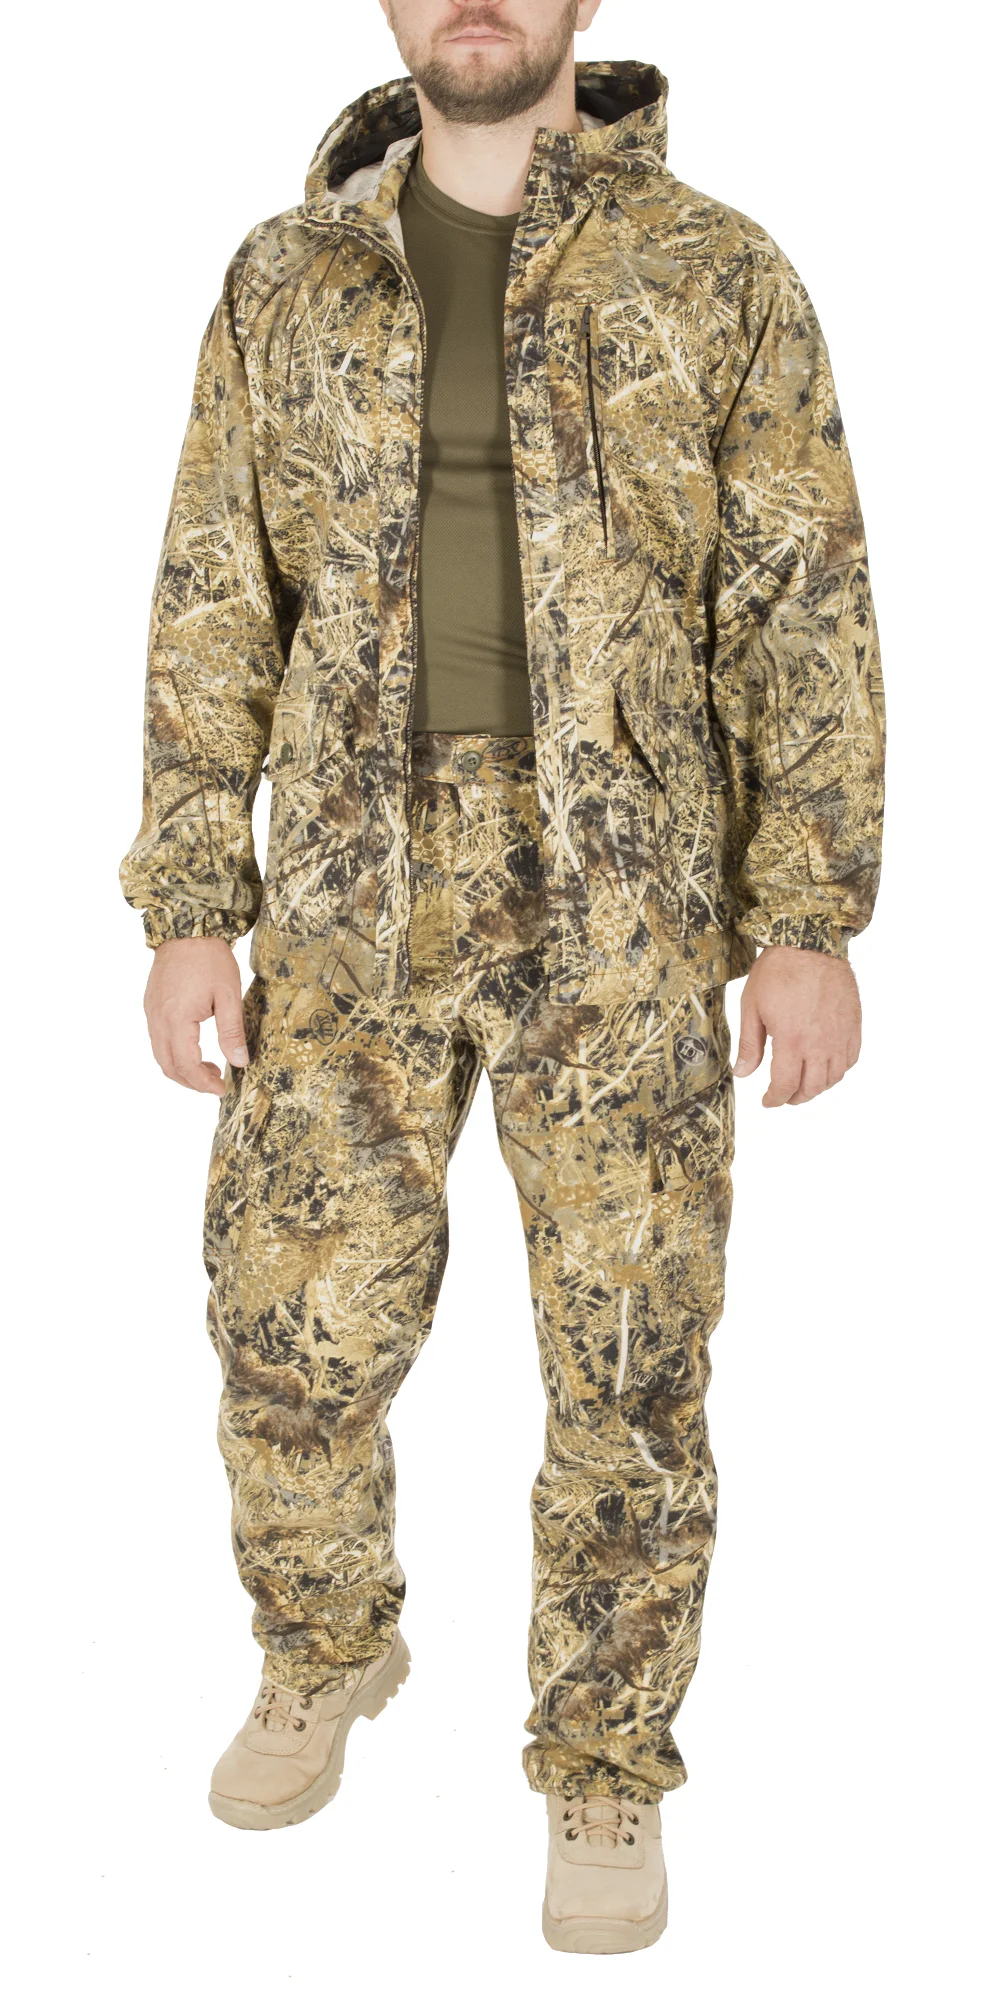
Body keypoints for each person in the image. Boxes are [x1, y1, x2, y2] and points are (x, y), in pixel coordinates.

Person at [120, 0, 885, 1956]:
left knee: (630, 1368)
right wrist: (193, 896)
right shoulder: (283, 279)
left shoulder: (714, 272)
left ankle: (603, 1759)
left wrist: (806, 918)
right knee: (289, 1320)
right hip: (348, 904)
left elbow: (797, 602)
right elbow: (214, 591)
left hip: (621, 912)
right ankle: (323, 1648)